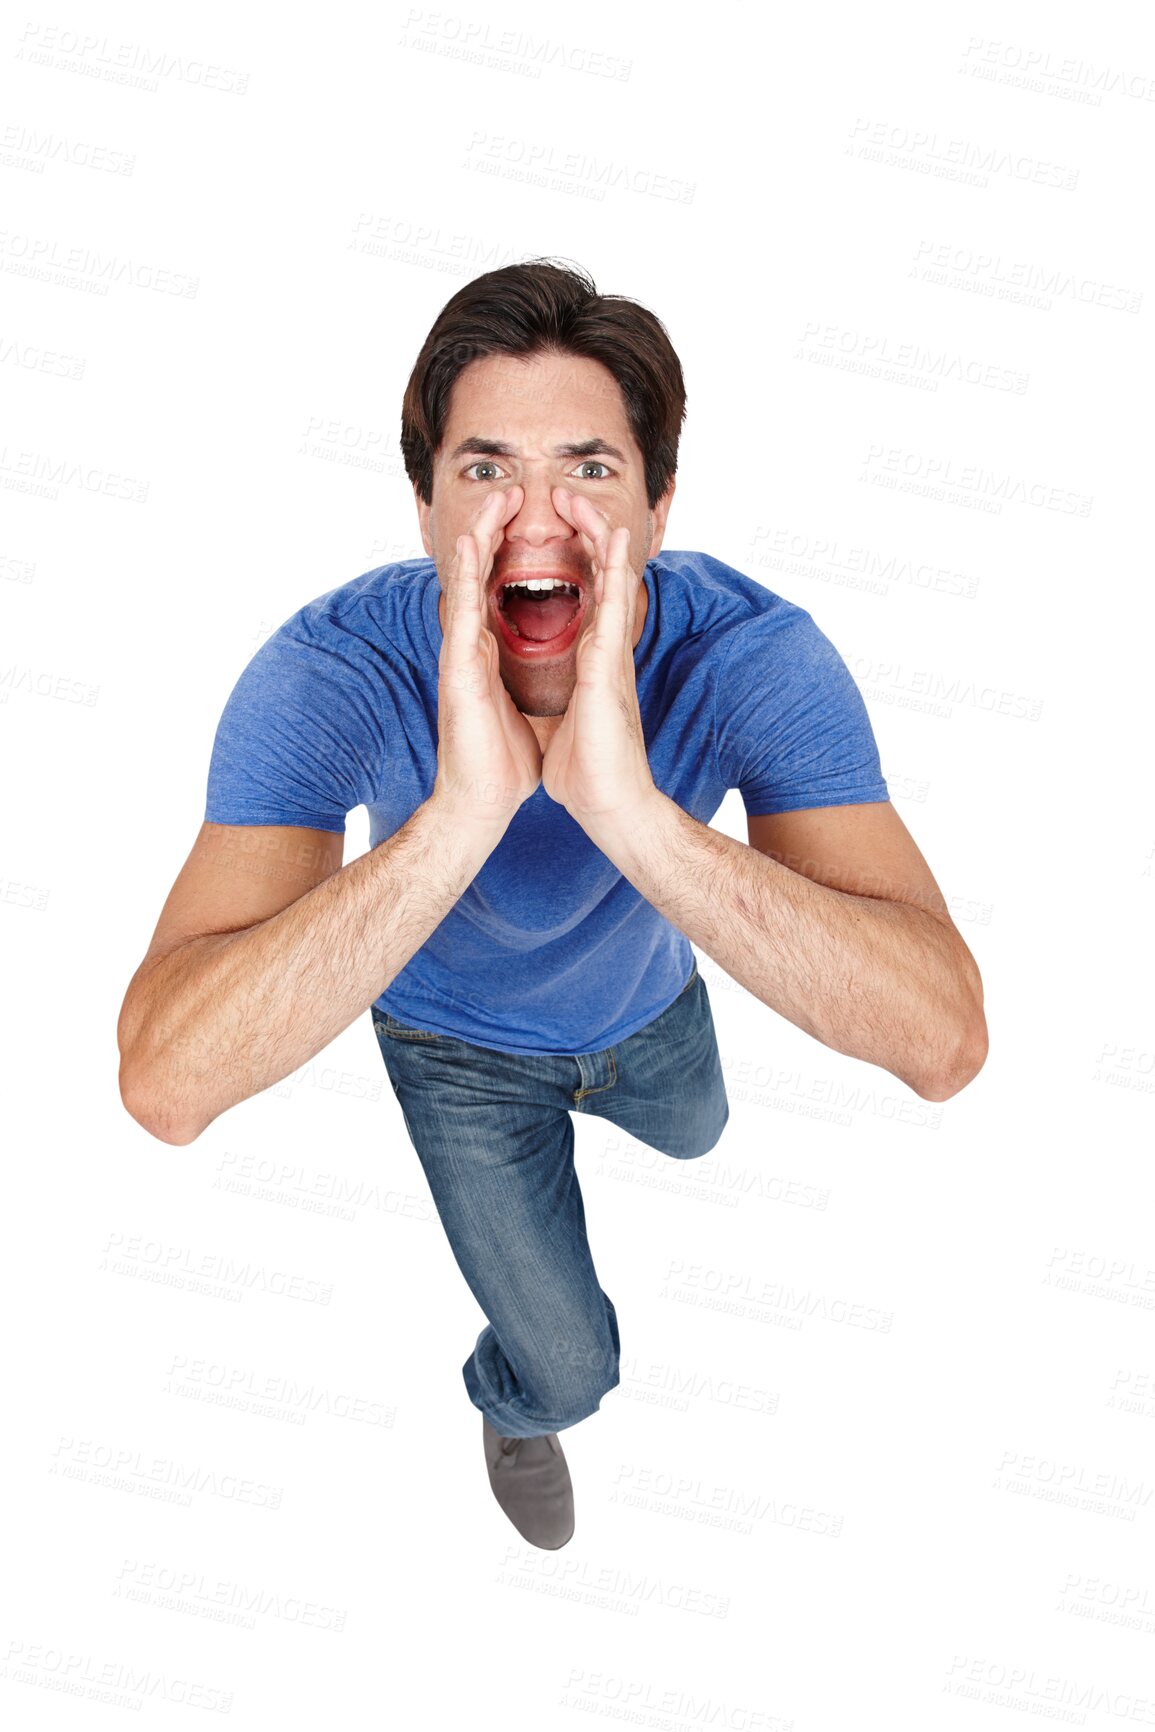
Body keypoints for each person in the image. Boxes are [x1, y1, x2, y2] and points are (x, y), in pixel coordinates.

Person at [117, 257, 987, 1552]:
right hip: (451, 1049)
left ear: (659, 505)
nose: (538, 518)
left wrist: (630, 812)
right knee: (574, 1366)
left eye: (588, 468)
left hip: (649, 1006)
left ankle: (631, 1086)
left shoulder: (747, 653)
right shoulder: (329, 672)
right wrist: (459, 820)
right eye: (483, 471)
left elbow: (946, 1043)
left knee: (699, 1130)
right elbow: (165, 1084)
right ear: (421, 509)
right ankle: (510, 1400)